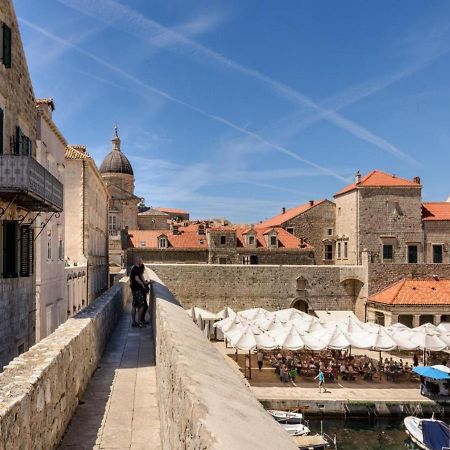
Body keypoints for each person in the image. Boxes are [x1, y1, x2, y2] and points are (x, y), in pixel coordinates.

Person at [130, 257, 148, 327]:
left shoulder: (133, 268)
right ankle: (139, 322)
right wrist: (143, 285)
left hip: (134, 290)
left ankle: (134, 322)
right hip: (137, 290)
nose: (141, 262)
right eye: (141, 260)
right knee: (141, 306)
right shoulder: (136, 269)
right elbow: (136, 278)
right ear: (137, 261)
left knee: (134, 306)